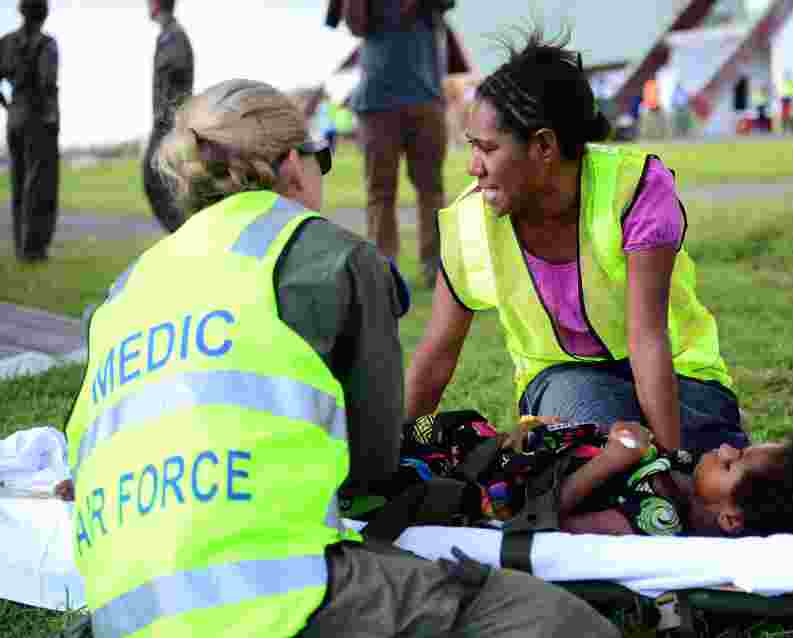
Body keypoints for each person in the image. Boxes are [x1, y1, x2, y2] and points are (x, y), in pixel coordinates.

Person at [63, 79, 618, 638]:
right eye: (319, 158)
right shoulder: (333, 258)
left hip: (121, 610)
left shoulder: (123, 291)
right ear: (291, 165)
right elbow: (369, 468)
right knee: (553, 620)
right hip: (269, 598)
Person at [405, 28, 747, 471]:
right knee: (599, 441)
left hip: (679, 377)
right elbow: (437, 354)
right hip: (568, 383)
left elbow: (647, 338)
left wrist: (670, 460)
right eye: (472, 147)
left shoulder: (635, 187)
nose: (474, 167)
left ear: (544, 145)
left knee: (658, 458)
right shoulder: (470, 221)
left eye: (487, 148)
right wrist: (394, 454)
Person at [403, 417, 793, 538]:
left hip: (488, 484)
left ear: (730, 519)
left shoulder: (655, 519)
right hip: (511, 450)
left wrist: (610, 461)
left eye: (731, 461)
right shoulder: (686, 474)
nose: (724, 448)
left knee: (401, 456)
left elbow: (548, 519)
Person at [343, 0, 450, 287]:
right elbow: (354, 24)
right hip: (379, 101)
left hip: (422, 97)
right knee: (381, 191)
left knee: (431, 188)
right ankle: (385, 271)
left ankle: (435, 267)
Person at [0, 0, 59, 262]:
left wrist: (9, 105)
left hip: (14, 117)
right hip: (38, 118)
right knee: (40, 184)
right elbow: (48, 83)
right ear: (43, 14)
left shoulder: (6, 42)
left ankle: (20, 247)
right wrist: (51, 116)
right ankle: (33, 251)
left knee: (18, 182)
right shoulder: (47, 44)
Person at [143, 0, 193, 234]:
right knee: (164, 183)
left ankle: (182, 234)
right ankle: (182, 234)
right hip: (166, 121)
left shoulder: (175, 37)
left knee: (154, 177)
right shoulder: (167, 36)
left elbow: (178, 75)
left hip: (170, 122)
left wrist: (169, 116)